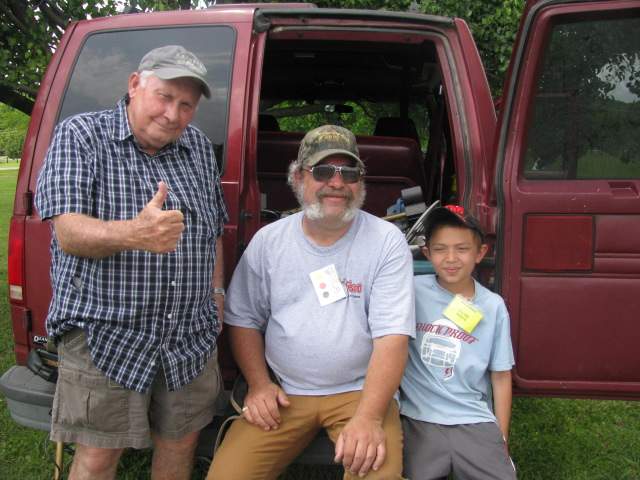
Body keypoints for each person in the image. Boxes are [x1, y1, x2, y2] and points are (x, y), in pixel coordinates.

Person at [35, 45, 228, 480]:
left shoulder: (196, 147)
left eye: (186, 106)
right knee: (99, 455)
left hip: (188, 335)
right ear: (135, 84)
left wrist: (216, 293)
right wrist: (133, 233)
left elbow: (213, 227)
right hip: (108, 334)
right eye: (164, 97)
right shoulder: (80, 135)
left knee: (180, 442)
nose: (173, 115)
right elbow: (68, 232)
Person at [208, 125, 415, 480]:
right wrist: (259, 385)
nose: (336, 182)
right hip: (284, 393)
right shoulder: (269, 241)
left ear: (360, 182)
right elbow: (243, 319)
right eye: (322, 171)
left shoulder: (387, 241)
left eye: (349, 172)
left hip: (360, 393)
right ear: (298, 177)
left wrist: (368, 418)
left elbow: (392, 338)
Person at [400, 205, 517, 480]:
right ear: (426, 253)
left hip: (473, 417)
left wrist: (501, 435)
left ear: (480, 253)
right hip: (419, 417)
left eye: (462, 249)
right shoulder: (411, 291)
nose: (451, 258)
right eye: (440, 249)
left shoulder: (493, 306)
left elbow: (500, 375)